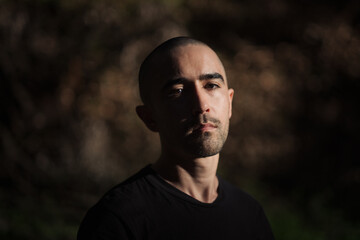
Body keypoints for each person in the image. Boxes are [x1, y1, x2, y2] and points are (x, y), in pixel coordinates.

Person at [77, 37, 275, 240]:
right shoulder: (118, 219)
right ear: (149, 117)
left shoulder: (250, 215)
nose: (201, 104)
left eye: (212, 85)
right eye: (178, 91)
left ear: (230, 102)